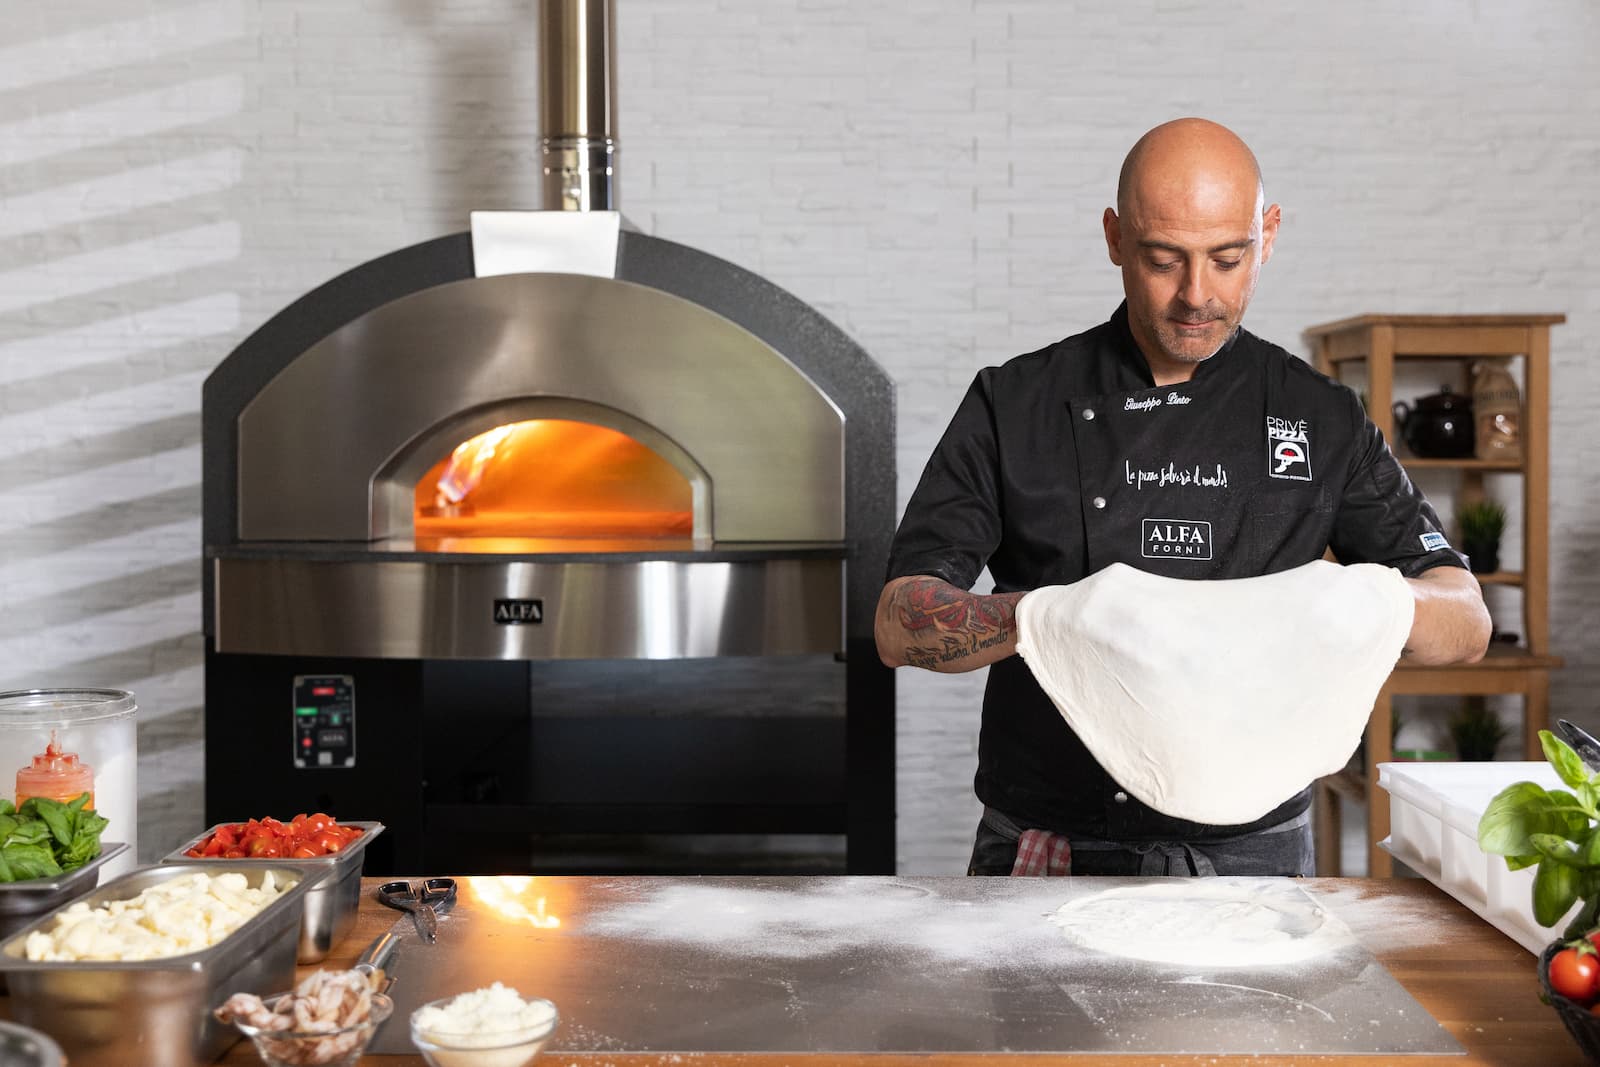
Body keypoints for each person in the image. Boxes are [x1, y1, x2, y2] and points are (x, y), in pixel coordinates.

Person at [875, 117, 1492, 878]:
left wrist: (1373, 602)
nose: (1196, 295)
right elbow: (900, 621)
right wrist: (1046, 619)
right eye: (1163, 260)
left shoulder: (1319, 418)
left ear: (1266, 234)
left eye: (1227, 259)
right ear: (1114, 237)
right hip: (1051, 843)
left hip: (1252, 856)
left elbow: (1466, 621)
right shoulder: (1017, 402)